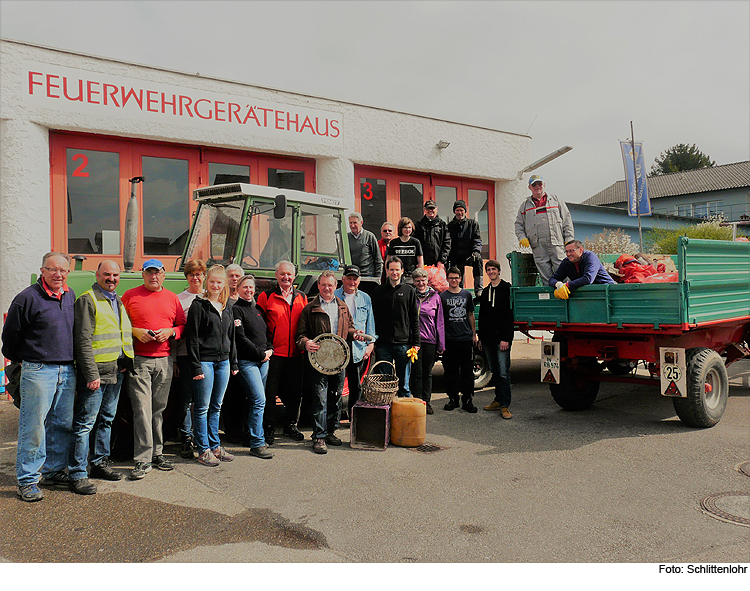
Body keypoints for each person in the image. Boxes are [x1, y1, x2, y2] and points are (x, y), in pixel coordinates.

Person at [2, 253, 77, 502]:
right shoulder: (27, 298)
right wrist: (22, 359)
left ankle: (54, 471)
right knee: (33, 426)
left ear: (68, 272)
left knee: (60, 425)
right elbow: (10, 337)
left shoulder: (70, 295)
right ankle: (28, 479)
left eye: (63, 270)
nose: (58, 274)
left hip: (66, 370)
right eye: (52, 269)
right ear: (42, 270)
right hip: (38, 370)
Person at [68, 260, 133, 494]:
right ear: (97, 275)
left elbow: (118, 334)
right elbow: (83, 340)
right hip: (96, 373)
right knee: (85, 423)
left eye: (115, 275)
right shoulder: (88, 299)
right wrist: (91, 373)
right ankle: (77, 473)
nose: (111, 278)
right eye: (107, 274)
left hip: (115, 371)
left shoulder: (117, 300)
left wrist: (125, 362)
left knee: (106, 419)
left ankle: (99, 463)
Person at [122, 258, 186, 480]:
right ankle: (142, 459)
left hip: (165, 361)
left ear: (163, 274)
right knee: (141, 409)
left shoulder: (172, 298)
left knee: (158, 410)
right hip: (139, 360)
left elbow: (181, 325)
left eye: (157, 272)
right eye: (149, 273)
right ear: (143, 274)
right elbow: (119, 323)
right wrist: (135, 331)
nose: (153, 276)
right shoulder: (130, 296)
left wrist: (171, 332)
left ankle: (158, 453)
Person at [296, 271, 360, 454]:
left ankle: (330, 432)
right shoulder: (310, 309)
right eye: (323, 285)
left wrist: (354, 334)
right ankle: (319, 437)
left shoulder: (342, 307)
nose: (326, 288)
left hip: (339, 362)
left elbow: (349, 329)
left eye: (330, 285)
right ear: (318, 285)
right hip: (318, 363)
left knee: (335, 397)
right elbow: (300, 335)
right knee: (320, 400)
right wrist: (305, 343)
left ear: (335, 286)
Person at [186, 265, 238, 467]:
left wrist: (233, 362)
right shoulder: (198, 306)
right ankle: (203, 449)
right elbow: (192, 339)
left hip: (223, 362)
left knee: (216, 406)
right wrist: (196, 367)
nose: (215, 285)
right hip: (205, 362)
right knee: (202, 407)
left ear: (224, 283)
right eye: (212, 281)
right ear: (207, 282)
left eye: (219, 282)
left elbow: (231, 338)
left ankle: (215, 446)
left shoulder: (227, 307)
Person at [256, 260, 308, 444]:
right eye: (282, 274)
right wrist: (266, 347)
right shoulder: (266, 296)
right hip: (274, 354)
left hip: (296, 354)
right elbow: (259, 326)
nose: (286, 277)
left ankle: (290, 426)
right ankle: (268, 427)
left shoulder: (302, 297)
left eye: (289, 274)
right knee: (270, 393)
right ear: (276, 275)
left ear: (294, 276)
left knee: (295, 393)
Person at [233, 274, 274, 460]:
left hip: (264, 361)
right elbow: (240, 338)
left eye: (251, 287)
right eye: (245, 287)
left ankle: (250, 436)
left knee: (256, 400)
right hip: (247, 362)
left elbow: (266, 334)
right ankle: (257, 443)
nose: (248, 290)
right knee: (259, 400)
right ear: (238, 289)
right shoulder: (236, 310)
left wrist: (270, 350)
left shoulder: (258, 309)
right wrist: (260, 354)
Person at [371, 256, 420, 396]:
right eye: (391, 269)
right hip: (383, 345)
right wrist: (373, 341)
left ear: (402, 271)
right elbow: (373, 318)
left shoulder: (409, 291)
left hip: (403, 345)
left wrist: (416, 342)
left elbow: (414, 319)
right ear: (386, 271)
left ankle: (404, 416)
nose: (394, 273)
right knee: (385, 385)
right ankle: (387, 415)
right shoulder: (378, 292)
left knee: (404, 386)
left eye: (397, 270)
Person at [173, 259, 206, 459]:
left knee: (202, 400)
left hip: (206, 357)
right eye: (192, 274)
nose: (196, 277)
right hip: (185, 356)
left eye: (199, 274)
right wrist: (175, 359)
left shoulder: (209, 297)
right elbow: (176, 329)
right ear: (187, 277)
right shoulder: (180, 299)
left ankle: (201, 435)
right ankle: (186, 437)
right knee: (185, 398)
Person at [514, 174, 574, 283]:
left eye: (539, 184)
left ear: (544, 185)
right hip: (538, 247)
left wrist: (569, 240)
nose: (537, 186)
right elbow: (518, 225)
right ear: (529, 187)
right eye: (534, 184)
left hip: (557, 244)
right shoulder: (524, 206)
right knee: (546, 277)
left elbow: (567, 221)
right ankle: (550, 298)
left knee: (564, 272)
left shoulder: (556, 200)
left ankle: (567, 296)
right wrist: (522, 238)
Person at [334, 265, 377, 414]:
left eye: (355, 279)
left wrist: (370, 344)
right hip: (338, 347)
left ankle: (354, 419)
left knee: (355, 386)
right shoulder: (334, 295)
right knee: (336, 387)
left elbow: (370, 323)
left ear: (359, 281)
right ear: (343, 279)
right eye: (349, 278)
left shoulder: (365, 298)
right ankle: (334, 421)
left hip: (358, 348)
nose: (352, 282)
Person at [477, 260, 514, 419]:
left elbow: (508, 315)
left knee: (503, 372)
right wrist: (480, 337)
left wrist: (506, 338)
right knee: (495, 371)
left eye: (493, 269)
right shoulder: (485, 292)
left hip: (502, 340)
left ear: (499, 271)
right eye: (488, 269)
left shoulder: (506, 288)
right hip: (488, 340)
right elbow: (483, 316)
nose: (491, 271)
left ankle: (505, 405)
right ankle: (498, 400)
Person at [441, 266, 478, 413]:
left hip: (465, 339)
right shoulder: (442, 297)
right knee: (451, 371)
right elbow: (441, 320)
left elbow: (470, 314)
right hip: (449, 340)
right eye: (451, 278)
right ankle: (453, 399)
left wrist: (474, 334)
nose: (454, 280)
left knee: (468, 372)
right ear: (447, 279)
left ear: (460, 278)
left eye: (456, 278)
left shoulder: (467, 295)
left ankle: (467, 400)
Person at [409, 268, 444, 415]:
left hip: (430, 341)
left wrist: (441, 343)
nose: (420, 283)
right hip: (414, 342)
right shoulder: (411, 296)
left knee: (427, 373)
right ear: (414, 282)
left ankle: (427, 402)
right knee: (416, 373)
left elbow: (440, 321)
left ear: (427, 281)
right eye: (417, 280)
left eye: (423, 280)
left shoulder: (435, 297)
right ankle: (417, 401)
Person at [548, 239, 615, 299]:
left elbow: (588, 279)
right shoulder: (566, 262)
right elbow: (552, 279)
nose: (568, 254)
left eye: (571, 251)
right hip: (588, 295)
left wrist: (566, 285)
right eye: (567, 251)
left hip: (609, 292)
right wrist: (558, 285)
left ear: (581, 250)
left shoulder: (590, 257)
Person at [447, 200, 484, 297]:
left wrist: (476, 251)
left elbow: (477, 239)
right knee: (457, 271)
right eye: (457, 210)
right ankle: (459, 290)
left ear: (465, 211)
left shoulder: (473, 224)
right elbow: (447, 242)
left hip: (470, 254)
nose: (459, 212)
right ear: (454, 211)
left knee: (478, 260)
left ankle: (479, 290)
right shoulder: (450, 226)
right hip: (456, 256)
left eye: (461, 210)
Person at [414, 200, 451, 270]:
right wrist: (418, 262)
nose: (430, 210)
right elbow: (415, 244)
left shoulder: (442, 225)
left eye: (432, 208)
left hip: (439, 264)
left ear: (436, 209)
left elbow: (447, 244)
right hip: (423, 264)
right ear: (424, 210)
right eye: (428, 208)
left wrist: (442, 261)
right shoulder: (419, 225)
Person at [347, 212, 383, 278]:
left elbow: (378, 259)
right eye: (350, 223)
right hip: (351, 275)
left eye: (355, 223)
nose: (352, 225)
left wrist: (378, 277)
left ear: (361, 222)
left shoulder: (369, 236)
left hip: (367, 275)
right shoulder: (346, 237)